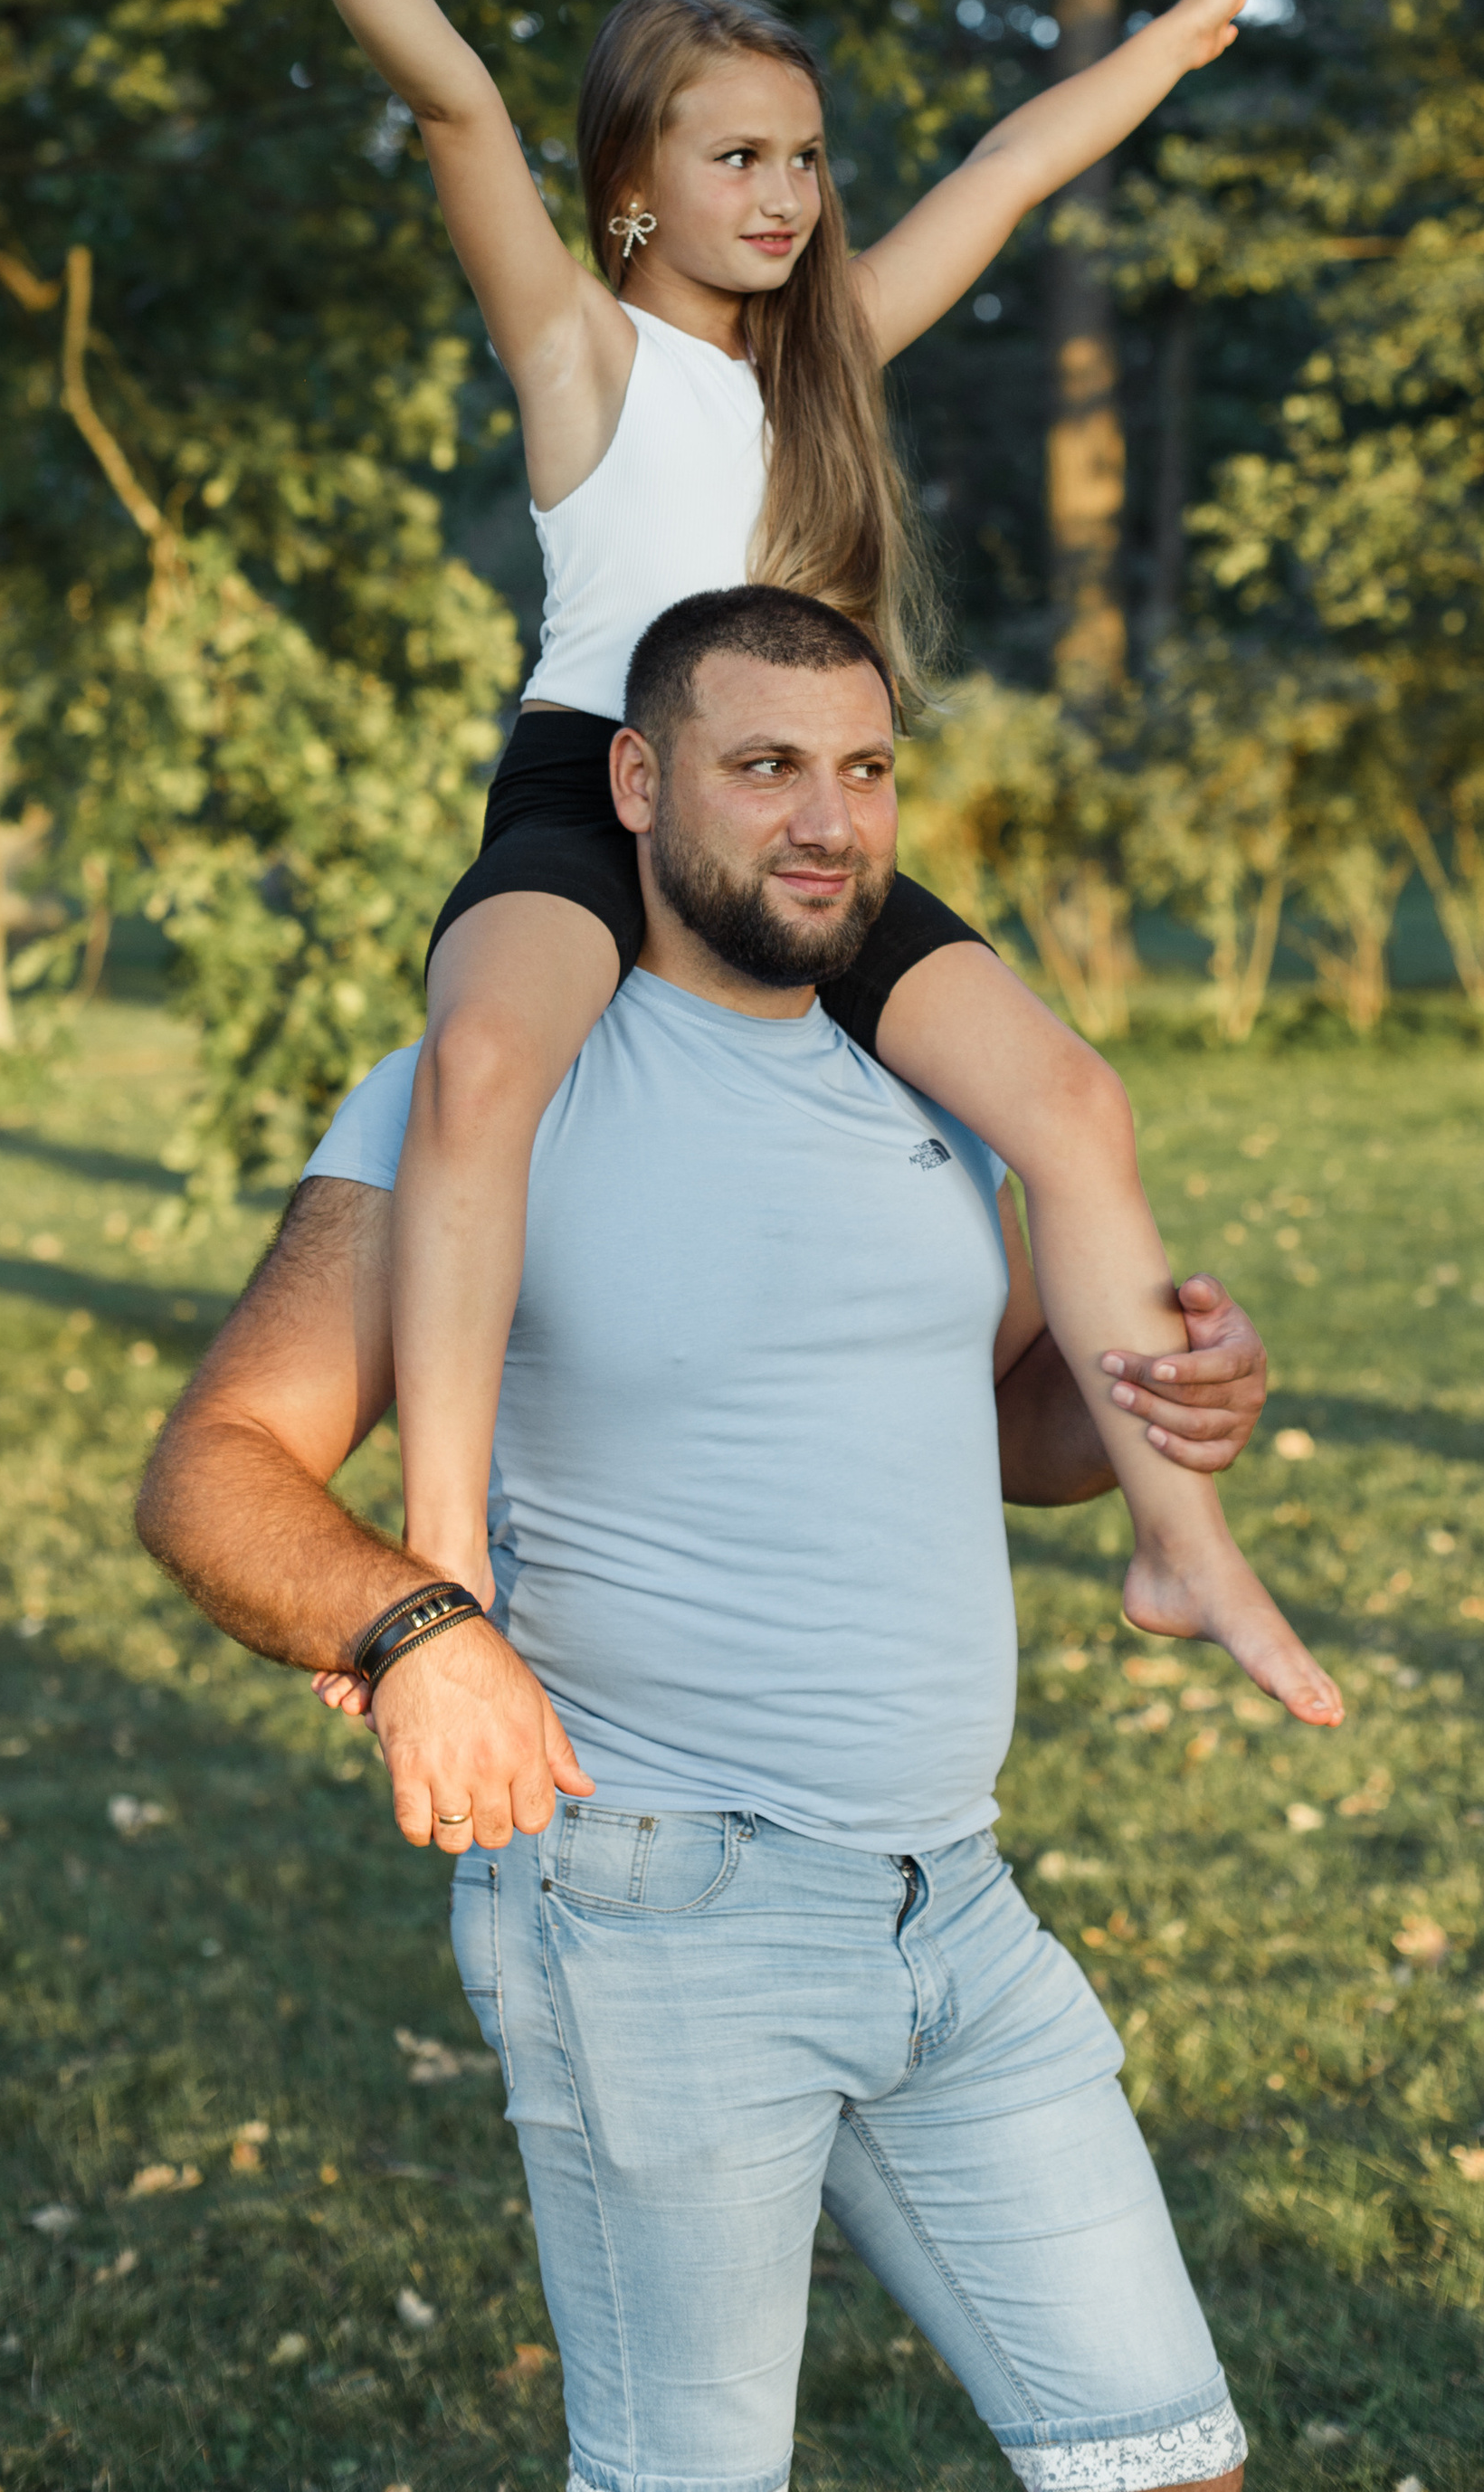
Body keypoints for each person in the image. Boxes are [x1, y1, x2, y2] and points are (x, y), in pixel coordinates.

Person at [162, 0, 1338, 1731]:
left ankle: (1180, 1541)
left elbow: (1011, 166)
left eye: (801, 157)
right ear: (637, 183)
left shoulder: (830, 361)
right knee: (478, 1074)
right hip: (591, 788)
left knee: (1074, 1108)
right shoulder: (586, 355)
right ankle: (443, 1548)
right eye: (735, 158)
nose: (784, 194)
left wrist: (1165, 45)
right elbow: (454, 104)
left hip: (791, 820)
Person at [137, 585, 1295, 2492]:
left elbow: (1010, 1419)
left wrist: (1159, 1404)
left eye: (866, 770)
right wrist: (413, 1624)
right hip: (658, 1913)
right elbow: (214, 1466)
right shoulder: (478, 1097)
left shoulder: (930, 1090)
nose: (829, 822)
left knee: (1168, 2464)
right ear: (635, 781)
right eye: (764, 768)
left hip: (949, 1900)